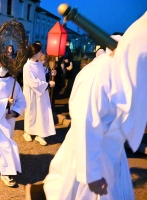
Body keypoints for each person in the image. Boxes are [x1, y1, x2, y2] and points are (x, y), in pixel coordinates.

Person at [39, 12, 147, 199]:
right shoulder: (98, 75)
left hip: (114, 155)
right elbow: (86, 126)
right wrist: (92, 175)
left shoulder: (128, 73)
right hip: (90, 155)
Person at [0, 55, 26, 187]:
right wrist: (5, 103)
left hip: (8, 119)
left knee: (0, 141)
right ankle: (6, 172)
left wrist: (14, 112)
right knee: (4, 144)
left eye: (4, 66)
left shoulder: (13, 83)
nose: (1, 69)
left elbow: (21, 100)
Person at [23, 43, 56, 146]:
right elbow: (33, 82)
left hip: (41, 93)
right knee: (31, 112)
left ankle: (40, 133)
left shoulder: (39, 63)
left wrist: (51, 74)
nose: (42, 53)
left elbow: (42, 75)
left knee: (42, 113)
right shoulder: (27, 66)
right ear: (34, 53)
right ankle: (28, 132)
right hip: (32, 93)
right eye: (40, 51)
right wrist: (48, 85)